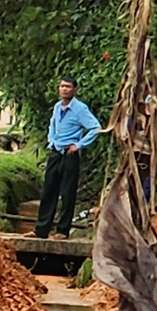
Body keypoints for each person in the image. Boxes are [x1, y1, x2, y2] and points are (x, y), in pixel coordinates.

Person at [35, 76, 102, 239]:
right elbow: (53, 125)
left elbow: (95, 128)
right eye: (62, 86)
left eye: (68, 86)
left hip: (69, 155)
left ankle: (62, 231)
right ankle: (41, 230)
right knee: (48, 191)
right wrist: (51, 141)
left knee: (67, 193)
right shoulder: (58, 107)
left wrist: (78, 145)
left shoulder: (80, 109)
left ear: (74, 89)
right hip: (55, 152)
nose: (64, 89)